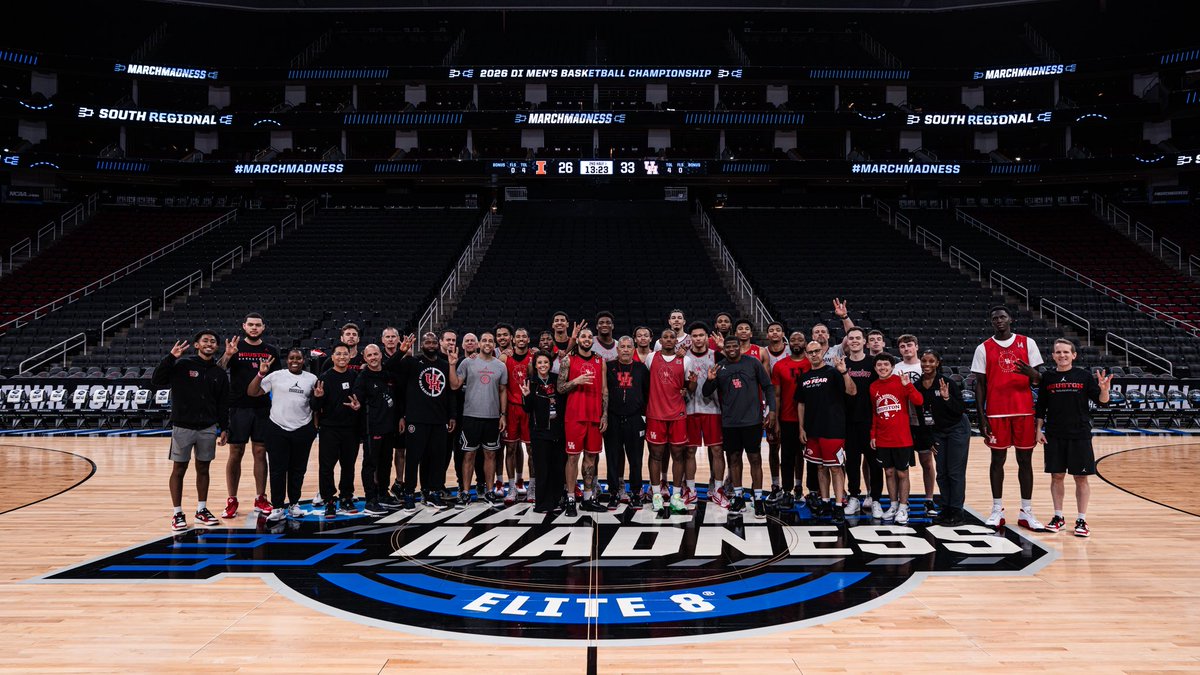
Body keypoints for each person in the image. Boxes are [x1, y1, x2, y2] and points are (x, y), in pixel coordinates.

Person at [971, 305, 1045, 530]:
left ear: (1010, 319)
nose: (999, 321)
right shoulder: (983, 348)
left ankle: (1026, 511)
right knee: (997, 461)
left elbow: (1040, 380)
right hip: (996, 412)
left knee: (1025, 462)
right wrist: (981, 417)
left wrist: (1033, 374)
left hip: (1023, 411)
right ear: (991, 322)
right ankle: (997, 509)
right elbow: (980, 386)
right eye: (995, 318)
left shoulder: (1027, 343)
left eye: (1003, 317)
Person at [153, 331, 230, 532]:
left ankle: (201, 509)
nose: (209, 344)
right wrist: (171, 357)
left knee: (204, 469)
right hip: (183, 426)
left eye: (213, 341)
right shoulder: (182, 365)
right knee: (179, 469)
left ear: (216, 347)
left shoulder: (219, 372)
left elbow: (223, 403)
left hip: (207, 427)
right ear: (196, 344)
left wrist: (224, 427)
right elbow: (157, 380)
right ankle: (177, 513)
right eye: (205, 340)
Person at [1035, 339, 1111, 537]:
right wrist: (1038, 430)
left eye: (1066, 352)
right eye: (1058, 352)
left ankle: (1081, 520)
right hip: (1054, 434)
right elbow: (1041, 407)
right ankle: (1058, 517)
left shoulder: (1084, 376)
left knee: (1081, 478)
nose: (1062, 355)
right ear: (1053, 356)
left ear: (1074, 355)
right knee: (1057, 476)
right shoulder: (1048, 378)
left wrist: (1104, 390)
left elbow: (1102, 402)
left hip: (1080, 434)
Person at [386, 332, 462, 511]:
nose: (430, 344)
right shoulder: (412, 362)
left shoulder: (445, 364)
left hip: (439, 419)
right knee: (413, 458)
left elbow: (451, 392)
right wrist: (401, 352)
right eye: (427, 341)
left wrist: (452, 415)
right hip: (416, 419)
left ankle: (433, 493)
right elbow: (388, 368)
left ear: (438, 344)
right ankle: (410, 493)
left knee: (436, 459)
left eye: (433, 341)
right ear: (421, 345)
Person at [702, 336, 776, 518]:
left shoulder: (753, 363)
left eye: (735, 345)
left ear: (740, 347)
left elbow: (768, 387)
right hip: (730, 422)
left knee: (755, 459)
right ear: (724, 349)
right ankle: (738, 497)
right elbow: (705, 392)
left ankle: (758, 499)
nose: (732, 348)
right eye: (729, 346)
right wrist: (710, 379)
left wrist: (771, 411)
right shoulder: (720, 367)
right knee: (734, 460)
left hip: (752, 421)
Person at [217, 313, 281, 519]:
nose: (254, 328)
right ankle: (231, 499)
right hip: (237, 407)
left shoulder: (271, 351)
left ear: (263, 327)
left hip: (263, 407)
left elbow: (278, 380)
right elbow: (218, 371)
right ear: (244, 326)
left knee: (261, 452)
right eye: (250, 325)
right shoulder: (235, 348)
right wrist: (227, 355)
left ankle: (260, 497)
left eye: (258, 325)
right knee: (235, 452)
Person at [247, 349, 318, 521]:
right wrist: (260, 373)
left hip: (302, 429)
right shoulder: (276, 375)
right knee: (278, 470)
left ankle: (294, 504)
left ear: (304, 360)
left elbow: (316, 403)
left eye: (298, 358)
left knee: (298, 470)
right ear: (287, 360)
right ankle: (278, 506)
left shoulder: (312, 378)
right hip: (277, 428)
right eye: (291, 358)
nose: (295, 360)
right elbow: (252, 392)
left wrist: (315, 426)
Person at [795, 340, 856, 523]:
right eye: (810, 352)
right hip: (813, 430)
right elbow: (801, 403)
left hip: (833, 429)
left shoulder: (833, 372)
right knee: (820, 468)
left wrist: (844, 372)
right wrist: (801, 427)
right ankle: (825, 501)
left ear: (822, 352)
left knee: (835, 468)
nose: (814, 354)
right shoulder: (804, 377)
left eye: (816, 351)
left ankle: (838, 506)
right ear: (806, 355)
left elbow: (852, 391)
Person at [915, 349, 970, 527]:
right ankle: (945, 508)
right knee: (942, 472)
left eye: (931, 361)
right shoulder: (917, 385)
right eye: (924, 361)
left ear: (938, 363)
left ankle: (957, 510)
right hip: (937, 432)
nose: (927, 365)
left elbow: (960, 409)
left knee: (954, 472)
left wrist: (947, 398)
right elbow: (920, 416)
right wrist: (928, 439)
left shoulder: (946, 382)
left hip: (957, 429)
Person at [557, 327, 608, 515]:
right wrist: (576, 381)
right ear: (577, 339)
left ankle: (588, 498)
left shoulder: (600, 361)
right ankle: (570, 498)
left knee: (591, 458)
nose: (586, 339)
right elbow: (560, 388)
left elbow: (604, 390)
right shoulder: (567, 360)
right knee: (572, 458)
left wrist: (605, 414)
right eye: (583, 336)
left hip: (594, 417)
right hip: (574, 416)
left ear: (592, 340)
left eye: (589, 337)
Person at [310, 343, 364, 519]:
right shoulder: (324, 378)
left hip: (351, 429)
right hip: (329, 429)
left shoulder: (355, 376)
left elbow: (360, 401)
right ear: (332, 357)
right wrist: (317, 398)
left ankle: (346, 497)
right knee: (327, 467)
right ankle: (329, 501)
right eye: (338, 354)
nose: (342, 357)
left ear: (350, 357)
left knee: (348, 466)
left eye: (345, 354)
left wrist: (358, 406)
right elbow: (314, 406)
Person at [869, 353, 923, 525]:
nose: (882, 367)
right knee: (889, 472)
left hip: (902, 438)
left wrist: (908, 386)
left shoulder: (901, 381)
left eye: (886, 364)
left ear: (892, 367)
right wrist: (873, 435)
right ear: (875, 368)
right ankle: (892, 505)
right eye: (879, 365)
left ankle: (903, 506)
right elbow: (875, 413)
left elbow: (919, 401)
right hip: (883, 438)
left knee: (902, 473)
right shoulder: (873, 387)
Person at [457, 332, 509, 507]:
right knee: (469, 455)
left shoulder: (500, 366)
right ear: (479, 343)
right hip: (471, 416)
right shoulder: (467, 362)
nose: (487, 343)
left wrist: (503, 415)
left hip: (492, 417)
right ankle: (465, 492)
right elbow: (456, 384)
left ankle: (489, 491)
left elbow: (503, 391)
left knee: (491, 455)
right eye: (484, 340)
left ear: (493, 344)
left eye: (490, 341)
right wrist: (451, 365)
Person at [352, 344, 403, 515]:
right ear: (365, 358)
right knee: (370, 464)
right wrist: (357, 403)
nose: (373, 357)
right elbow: (356, 397)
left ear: (381, 355)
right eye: (369, 355)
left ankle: (383, 494)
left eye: (375, 354)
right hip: (372, 428)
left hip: (389, 427)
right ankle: (370, 500)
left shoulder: (388, 375)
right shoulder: (363, 377)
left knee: (386, 463)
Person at [645, 328, 690, 513]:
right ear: (660, 341)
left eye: (672, 337)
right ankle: (656, 494)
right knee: (655, 455)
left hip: (677, 414)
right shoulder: (651, 358)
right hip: (655, 414)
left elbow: (690, 385)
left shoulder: (686, 360)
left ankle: (676, 495)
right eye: (666, 337)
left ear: (676, 341)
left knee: (678, 455)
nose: (669, 339)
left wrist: (687, 388)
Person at [893, 334, 936, 514]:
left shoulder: (924, 365)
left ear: (916, 346)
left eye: (909, 345)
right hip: (904, 421)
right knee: (901, 465)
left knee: (927, 461)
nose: (906, 349)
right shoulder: (895, 369)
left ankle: (929, 499)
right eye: (902, 347)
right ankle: (903, 501)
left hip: (924, 421)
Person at [605, 336, 649, 506]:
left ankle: (636, 493)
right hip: (613, 418)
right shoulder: (608, 367)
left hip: (634, 419)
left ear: (633, 349)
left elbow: (647, 393)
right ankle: (614, 493)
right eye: (621, 346)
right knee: (613, 458)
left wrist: (643, 416)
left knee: (636, 459)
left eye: (628, 347)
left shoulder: (641, 369)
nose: (624, 349)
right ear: (617, 350)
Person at [841, 327, 880, 517]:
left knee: (874, 462)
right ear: (847, 342)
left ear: (865, 342)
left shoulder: (874, 363)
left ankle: (875, 499)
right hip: (849, 421)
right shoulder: (842, 364)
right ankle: (854, 497)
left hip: (871, 420)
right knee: (853, 462)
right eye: (851, 338)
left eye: (858, 338)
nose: (854, 341)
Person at [772, 330, 812, 510]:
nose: (797, 342)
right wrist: (777, 420)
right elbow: (777, 396)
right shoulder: (780, 365)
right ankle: (787, 491)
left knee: (808, 458)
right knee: (787, 457)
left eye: (800, 339)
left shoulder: (812, 363)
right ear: (788, 343)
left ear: (805, 343)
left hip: (811, 420)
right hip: (787, 418)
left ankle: (803, 489)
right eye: (793, 339)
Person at [685, 322, 723, 507]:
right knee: (690, 450)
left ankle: (717, 489)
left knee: (716, 450)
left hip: (713, 408)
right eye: (695, 335)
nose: (698, 338)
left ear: (707, 337)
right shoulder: (684, 356)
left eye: (701, 335)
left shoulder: (716, 355)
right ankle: (690, 489)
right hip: (690, 409)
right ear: (690, 337)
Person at [525, 352, 566, 514]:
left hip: (558, 430)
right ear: (535, 365)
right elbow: (527, 409)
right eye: (539, 362)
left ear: (550, 364)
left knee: (557, 467)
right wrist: (527, 396)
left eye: (545, 362)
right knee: (542, 469)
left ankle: (556, 500)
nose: (542, 365)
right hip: (539, 432)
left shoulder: (557, 379)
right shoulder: (530, 382)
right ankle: (542, 503)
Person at [501, 328, 534, 502]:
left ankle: (532, 488)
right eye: (518, 337)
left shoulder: (534, 357)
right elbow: (502, 387)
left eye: (524, 336)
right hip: (512, 408)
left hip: (528, 408)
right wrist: (503, 413)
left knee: (531, 450)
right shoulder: (505, 358)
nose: (521, 339)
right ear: (513, 340)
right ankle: (512, 487)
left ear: (528, 339)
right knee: (511, 448)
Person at [380, 327, 410, 502]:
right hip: (382, 412)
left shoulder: (406, 359)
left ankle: (399, 483)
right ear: (383, 340)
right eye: (388, 337)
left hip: (399, 410)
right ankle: (380, 486)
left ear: (398, 339)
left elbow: (407, 389)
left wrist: (403, 415)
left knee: (400, 450)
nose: (391, 340)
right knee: (382, 453)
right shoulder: (377, 357)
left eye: (393, 337)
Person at [761, 320, 788, 499]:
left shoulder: (791, 350)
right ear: (768, 335)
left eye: (778, 330)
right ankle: (776, 484)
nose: (775, 333)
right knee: (773, 447)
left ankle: (794, 486)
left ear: (782, 333)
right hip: (772, 402)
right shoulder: (763, 352)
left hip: (791, 402)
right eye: (772, 331)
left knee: (792, 450)